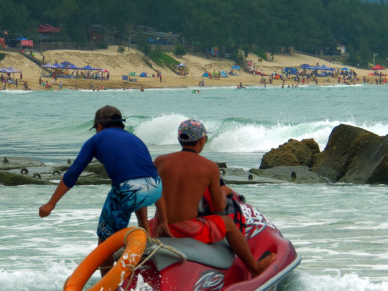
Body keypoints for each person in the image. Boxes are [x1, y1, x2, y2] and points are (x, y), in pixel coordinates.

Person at [39, 105, 162, 267]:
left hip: (130, 190)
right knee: (135, 189)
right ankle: (144, 230)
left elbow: (73, 173)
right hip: (156, 187)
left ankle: (108, 290)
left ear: (99, 126)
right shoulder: (134, 139)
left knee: (105, 240)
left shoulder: (96, 140)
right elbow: (142, 174)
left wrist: (51, 203)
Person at [150, 119, 275, 276]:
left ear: (179, 139)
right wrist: (224, 191)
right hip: (186, 230)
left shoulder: (160, 161)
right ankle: (255, 268)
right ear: (202, 141)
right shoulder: (209, 167)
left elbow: (153, 191)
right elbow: (219, 207)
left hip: (160, 225)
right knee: (228, 224)